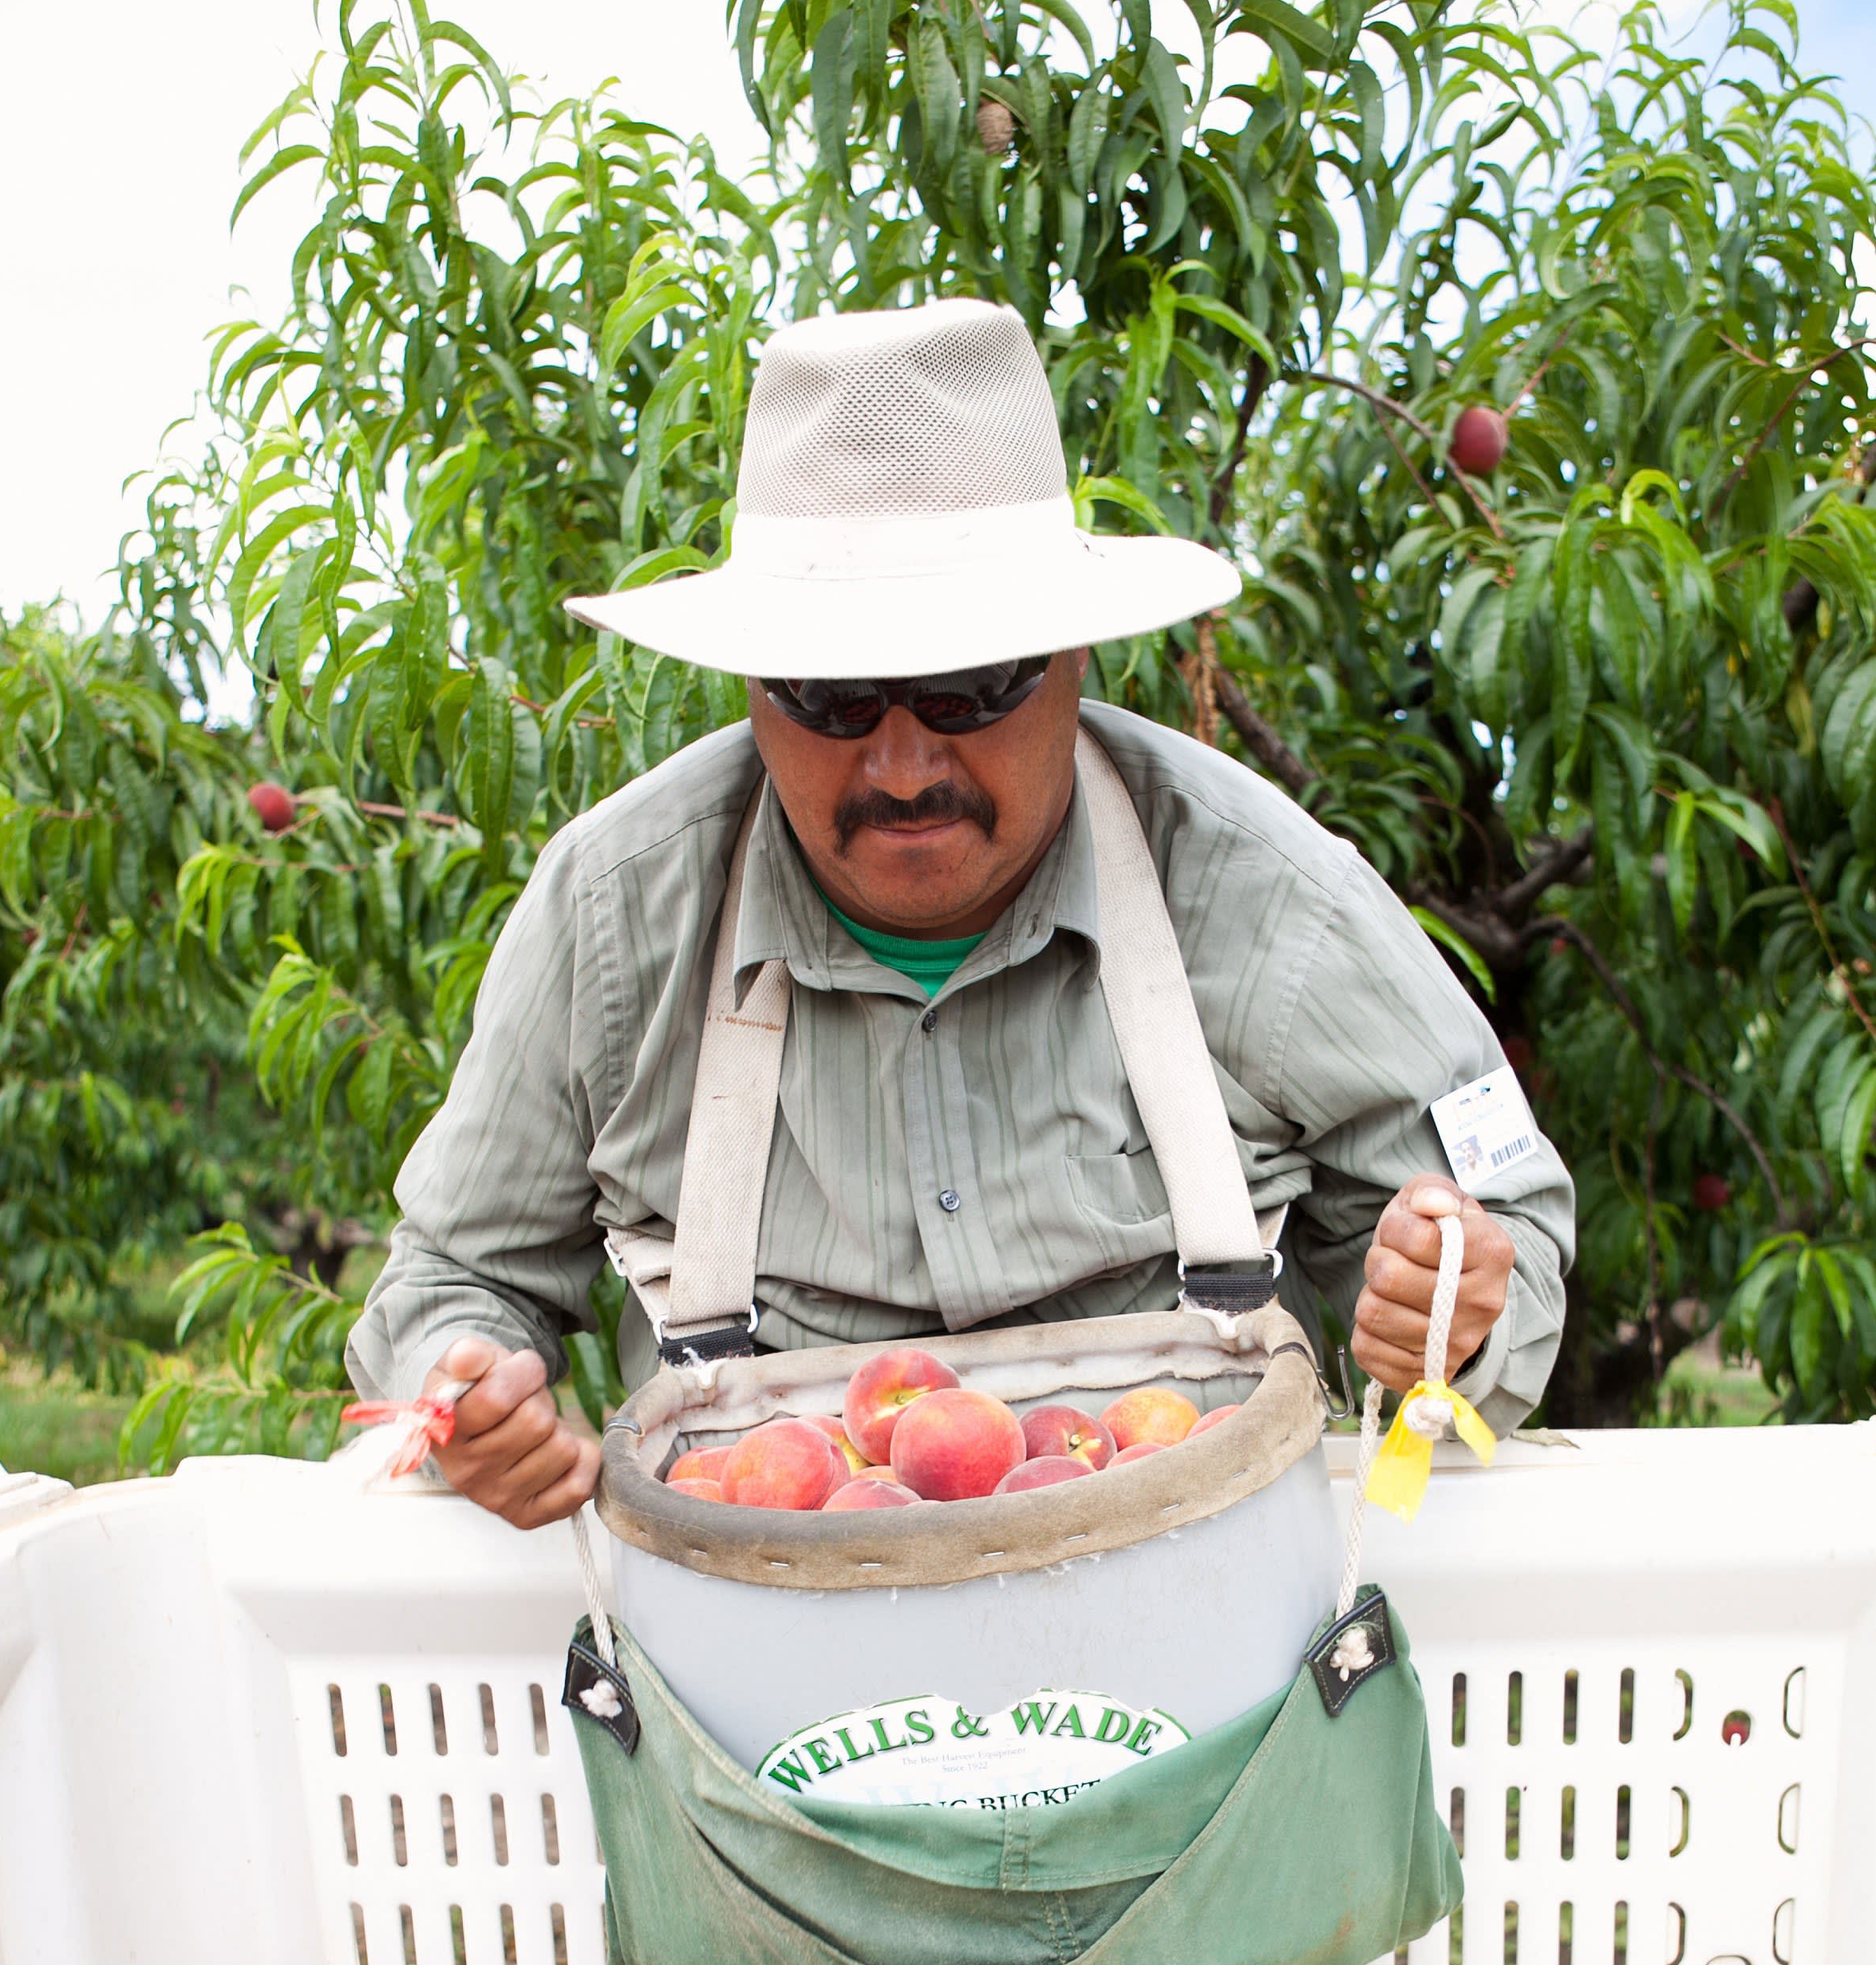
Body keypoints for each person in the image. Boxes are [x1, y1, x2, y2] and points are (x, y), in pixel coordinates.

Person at [346, 298, 1574, 1527]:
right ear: (751, 688)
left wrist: (1446, 1303)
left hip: (1196, 1609)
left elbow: (1501, 1218)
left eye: (969, 684)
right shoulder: (615, 917)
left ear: (1074, 658)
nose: (900, 767)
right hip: (766, 1628)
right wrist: (465, 1396)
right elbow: (451, 1279)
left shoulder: (1264, 897)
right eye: (830, 696)